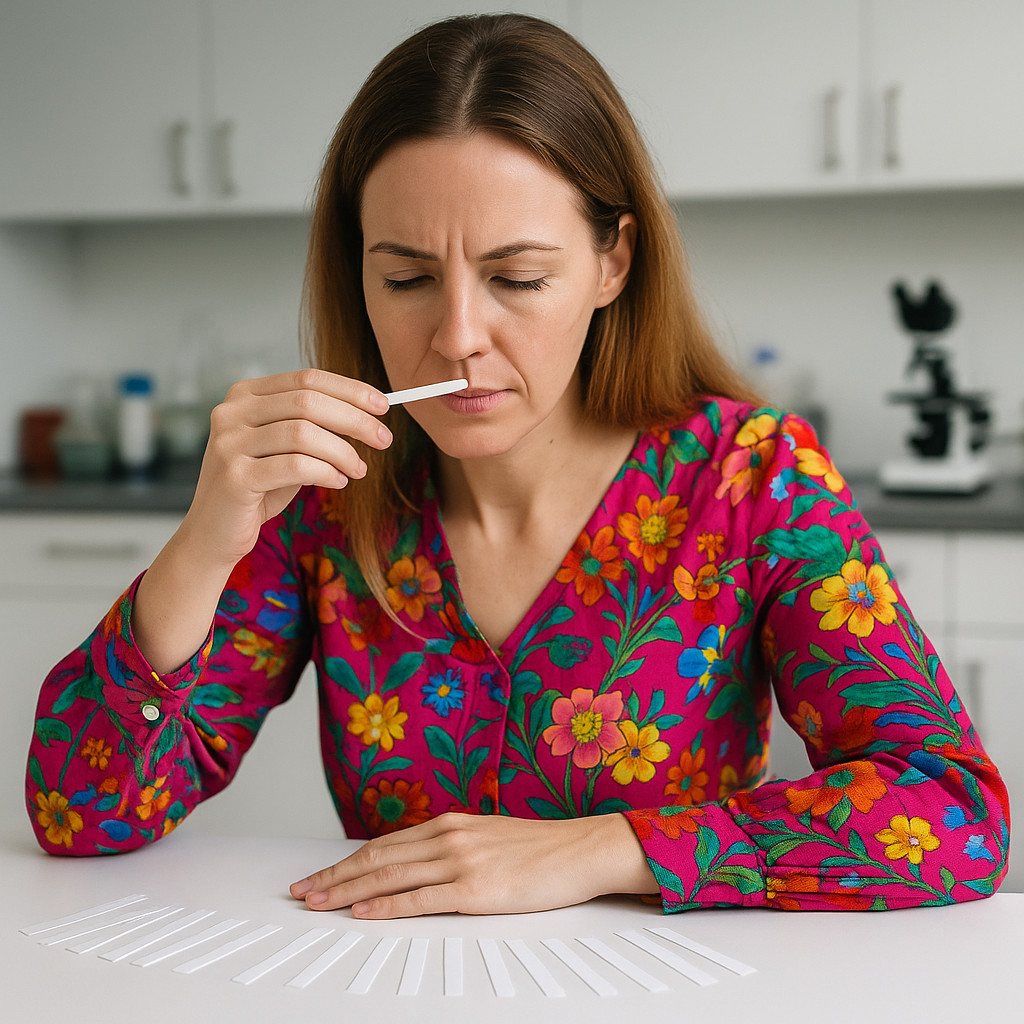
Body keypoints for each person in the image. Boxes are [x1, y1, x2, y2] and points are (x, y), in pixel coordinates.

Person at [26, 13, 1008, 919]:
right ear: (355, 269)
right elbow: (81, 814)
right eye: (406, 277)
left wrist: (603, 848)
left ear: (611, 263)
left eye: (517, 277)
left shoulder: (750, 480)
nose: (456, 336)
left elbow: (954, 816)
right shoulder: (326, 501)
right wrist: (205, 541)